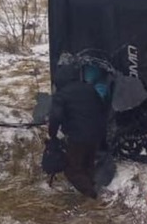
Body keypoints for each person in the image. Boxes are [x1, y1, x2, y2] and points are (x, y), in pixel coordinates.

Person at [47, 63, 111, 197]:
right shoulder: (89, 89)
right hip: (97, 135)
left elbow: (55, 117)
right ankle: (92, 186)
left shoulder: (61, 95)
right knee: (88, 164)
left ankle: (92, 194)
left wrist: (52, 135)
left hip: (78, 137)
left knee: (72, 169)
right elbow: (102, 108)